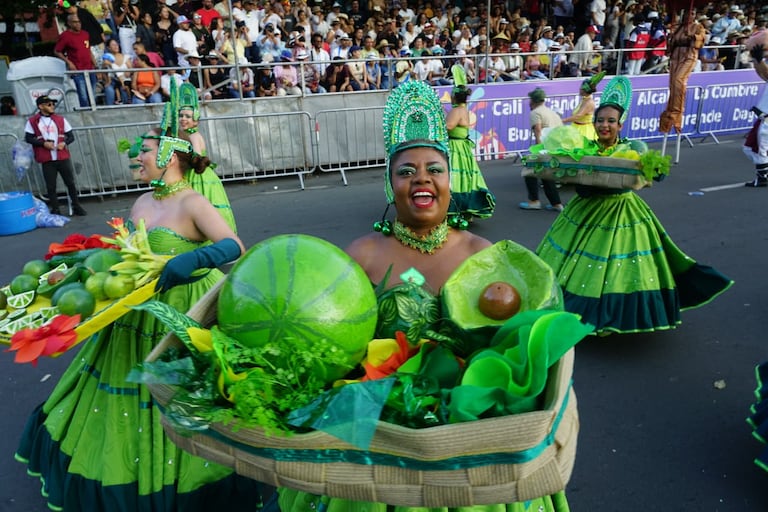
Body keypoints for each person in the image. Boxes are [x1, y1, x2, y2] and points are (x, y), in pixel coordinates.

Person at [276, 79, 570, 512]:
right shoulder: (364, 254)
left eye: (435, 168)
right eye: (406, 171)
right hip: (378, 435)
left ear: (452, 179)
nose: (422, 180)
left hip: (463, 440)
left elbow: (514, 350)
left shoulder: (482, 254)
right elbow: (324, 330)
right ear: (389, 183)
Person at [15, 96, 263, 510]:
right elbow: (125, 252)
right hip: (136, 312)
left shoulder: (193, 202)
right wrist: (79, 265)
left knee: (181, 391)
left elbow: (234, 246)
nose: (137, 157)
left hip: (184, 311)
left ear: (169, 156)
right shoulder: (144, 201)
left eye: (145, 150)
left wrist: (194, 258)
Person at [535, 76, 733, 336]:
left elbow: (649, 173)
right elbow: (578, 181)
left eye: (610, 121)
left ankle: (615, 314)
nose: (604, 125)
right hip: (584, 210)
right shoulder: (583, 147)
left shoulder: (633, 147)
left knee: (620, 268)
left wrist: (655, 170)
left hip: (620, 211)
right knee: (575, 264)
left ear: (621, 124)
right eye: (600, 120)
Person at [176, 82, 238, 232]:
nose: (183, 119)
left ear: (196, 121)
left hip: (198, 176)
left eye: (188, 117)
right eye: (181, 116)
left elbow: (195, 158)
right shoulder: (187, 135)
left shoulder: (194, 136)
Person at [446, 66, 495, 222]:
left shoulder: (457, 111)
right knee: (465, 177)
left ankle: (456, 208)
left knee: (454, 177)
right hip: (462, 147)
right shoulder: (463, 109)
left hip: (456, 147)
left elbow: (448, 127)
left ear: (454, 97)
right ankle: (466, 210)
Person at [24, 95, 87, 217]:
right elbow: (28, 138)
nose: (52, 106)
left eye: (53, 104)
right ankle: (55, 208)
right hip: (47, 158)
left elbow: (71, 136)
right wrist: (43, 144)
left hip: (62, 156)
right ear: (40, 106)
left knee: (70, 183)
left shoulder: (60, 119)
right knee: (51, 185)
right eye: (48, 104)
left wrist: (64, 143)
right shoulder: (32, 121)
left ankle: (76, 206)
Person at [519, 87, 565, 212]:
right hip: (556, 148)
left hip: (543, 148)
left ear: (533, 101)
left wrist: (539, 150)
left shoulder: (535, 113)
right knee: (547, 175)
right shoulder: (552, 113)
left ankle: (534, 201)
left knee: (529, 171)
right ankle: (556, 204)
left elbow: (538, 130)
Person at [54, 13, 99, 108]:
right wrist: (69, 62)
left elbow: (88, 50)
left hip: (90, 69)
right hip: (78, 71)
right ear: (69, 23)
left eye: (79, 22)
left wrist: (95, 65)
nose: (78, 24)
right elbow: (57, 51)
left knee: (93, 94)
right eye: (75, 22)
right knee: (83, 97)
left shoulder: (85, 34)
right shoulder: (65, 36)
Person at [743, 43, 768, 187]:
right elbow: (763, 74)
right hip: (763, 116)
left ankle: (763, 177)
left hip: (766, 119)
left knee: (757, 148)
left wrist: (759, 60)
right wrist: (757, 60)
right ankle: (763, 175)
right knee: (752, 147)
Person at [562, 72, 604, 141]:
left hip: (584, 131)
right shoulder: (584, 99)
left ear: (585, 90)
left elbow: (578, 116)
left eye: (581, 88)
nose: (579, 89)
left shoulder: (589, 102)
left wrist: (563, 120)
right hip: (576, 127)